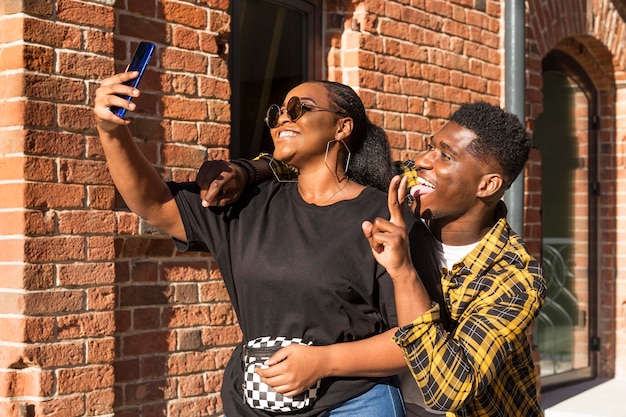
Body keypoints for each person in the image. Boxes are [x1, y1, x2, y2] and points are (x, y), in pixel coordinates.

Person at [200, 102, 547, 417]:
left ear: (486, 186)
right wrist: (246, 171)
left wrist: (403, 270)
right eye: (430, 146)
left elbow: (448, 389)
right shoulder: (406, 186)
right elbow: (323, 165)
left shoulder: (515, 279)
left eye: (446, 156)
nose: (424, 160)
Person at [93, 73, 410, 417]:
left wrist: (324, 361)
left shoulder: (382, 212)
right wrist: (112, 131)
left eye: (297, 108)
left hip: (351, 404)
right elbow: (153, 204)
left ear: (342, 127)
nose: (283, 118)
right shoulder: (248, 204)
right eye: (276, 113)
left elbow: (413, 340)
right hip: (256, 404)